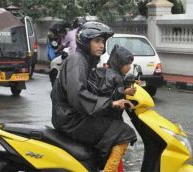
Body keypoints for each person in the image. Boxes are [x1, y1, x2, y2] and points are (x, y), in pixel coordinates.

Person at [50, 22, 137, 171]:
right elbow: (78, 95)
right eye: (97, 41)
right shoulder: (77, 60)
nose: (102, 45)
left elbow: (96, 89)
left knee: (112, 123)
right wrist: (110, 104)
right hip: (71, 119)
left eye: (103, 41)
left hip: (73, 115)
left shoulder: (87, 61)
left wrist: (120, 94)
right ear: (85, 42)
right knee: (123, 132)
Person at [87, 44, 136, 121]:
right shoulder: (112, 75)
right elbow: (106, 93)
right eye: (127, 64)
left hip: (112, 113)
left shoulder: (116, 73)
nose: (129, 67)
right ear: (119, 64)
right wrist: (125, 92)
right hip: (108, 115)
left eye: (130, 64)